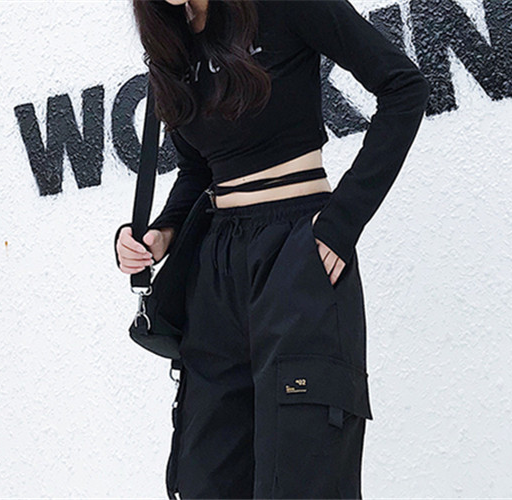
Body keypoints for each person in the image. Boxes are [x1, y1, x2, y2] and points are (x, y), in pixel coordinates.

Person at [115, 0, 430, 498]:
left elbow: (404, 88)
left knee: (302, 475)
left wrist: (340, 225)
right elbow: (199, 169)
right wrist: (162, 233)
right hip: (216, 267)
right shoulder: (171, 42)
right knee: (206, 477)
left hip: (296, 249)